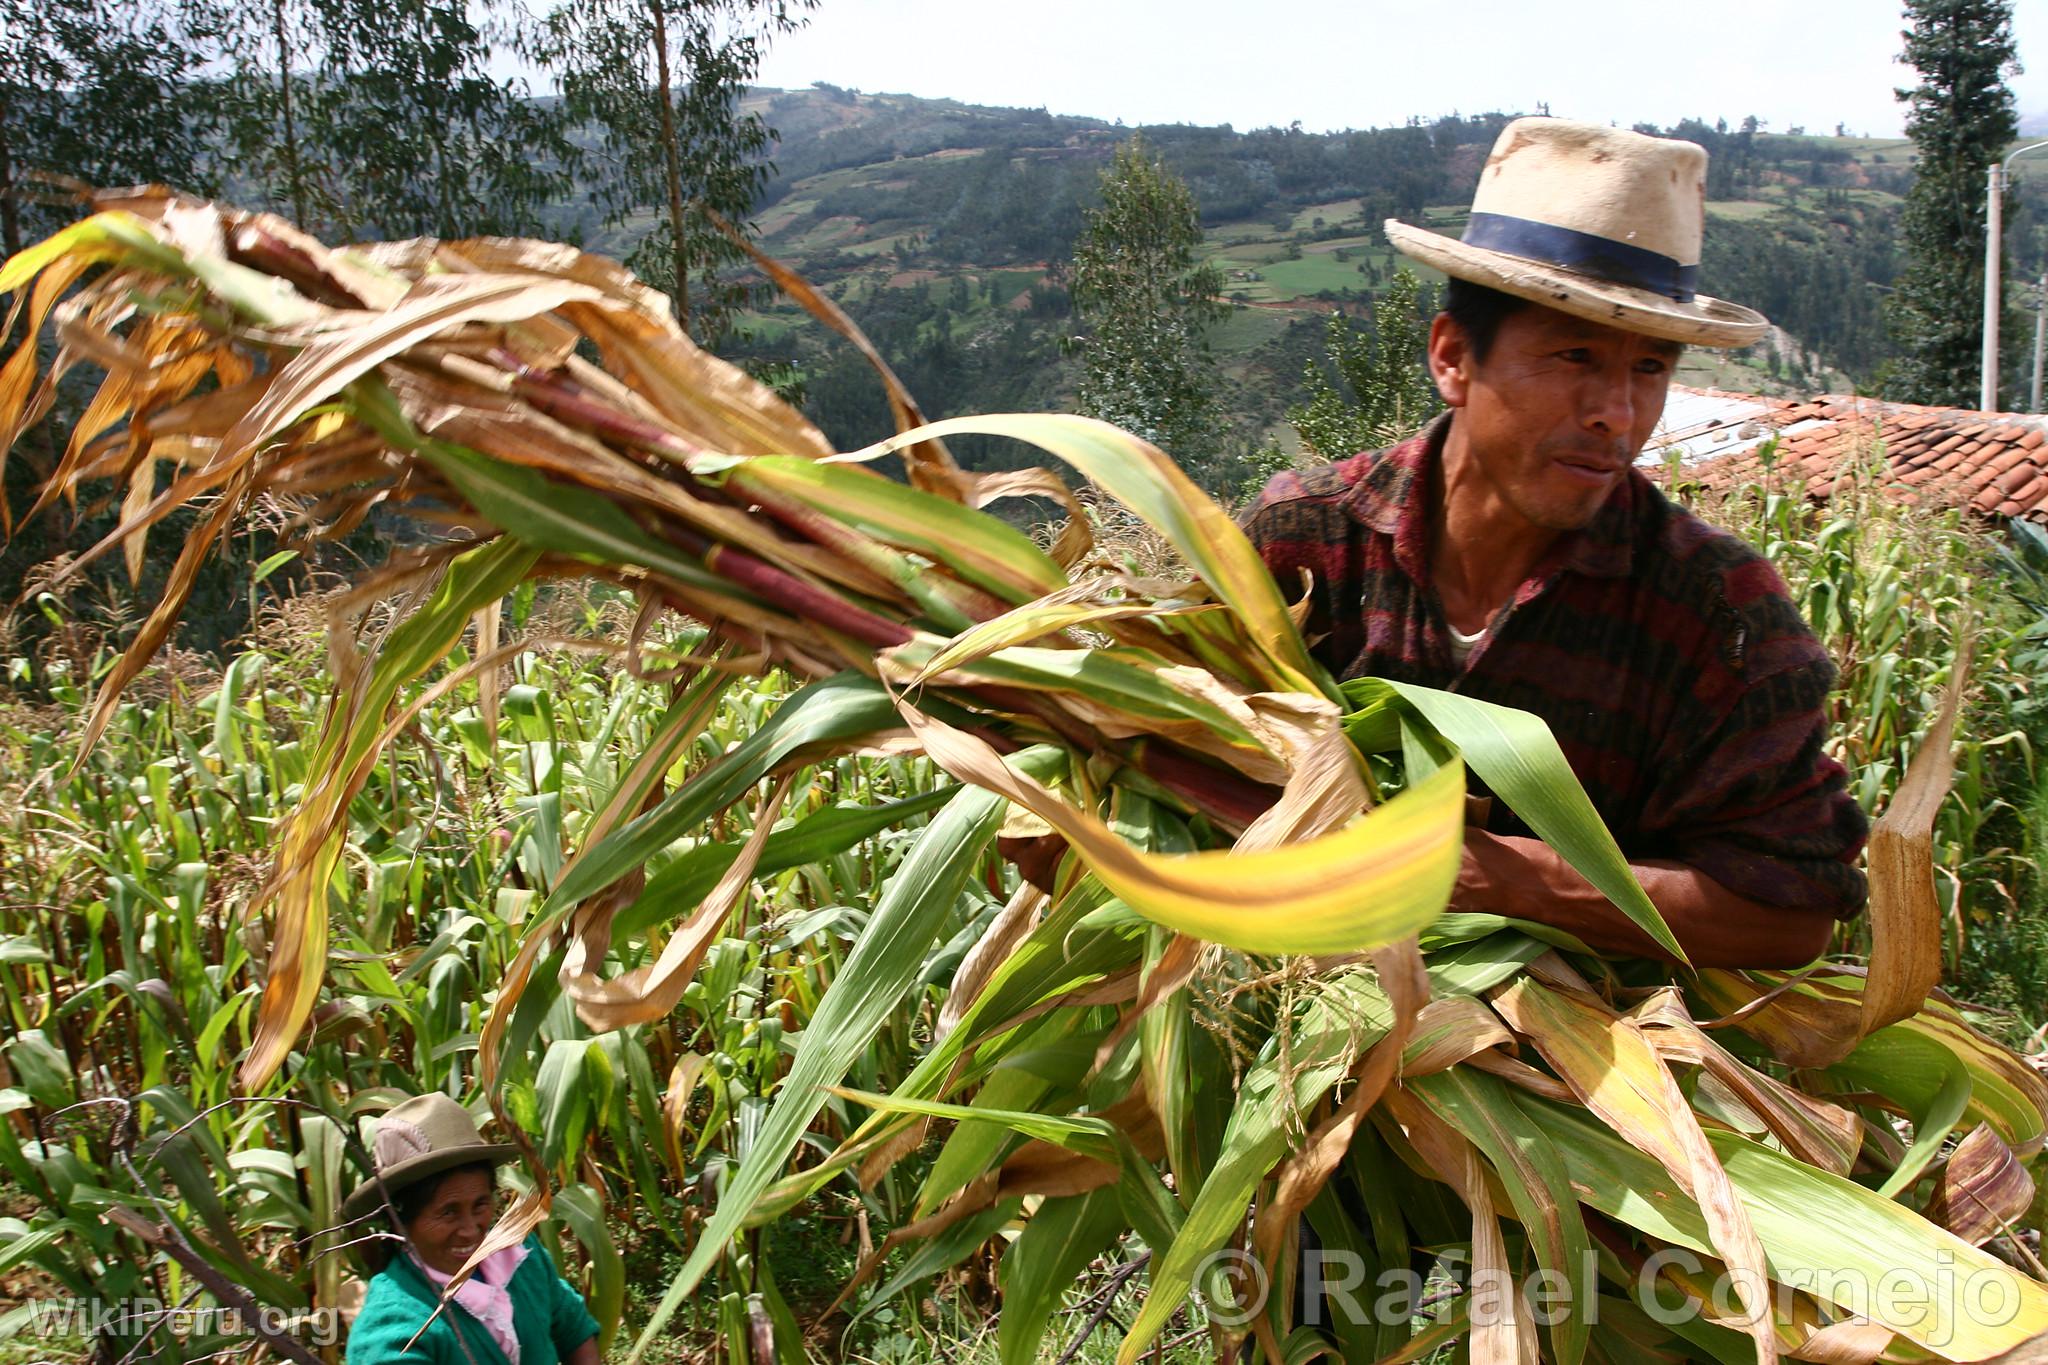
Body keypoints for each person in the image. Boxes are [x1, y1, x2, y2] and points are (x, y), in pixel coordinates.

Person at [1242, 117, 1868, 969]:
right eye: (1575, 355)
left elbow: (1787, 916)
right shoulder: (1307, 540)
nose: (1617, 411)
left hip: (1579, 1073)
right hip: (1281, 1019)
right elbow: (1174, 741)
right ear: (1454, 357)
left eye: (1649, 368)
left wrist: (1497, 877)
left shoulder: (1719, 617)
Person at [343, 1094, 602, 1365]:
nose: (470, 1230)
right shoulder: (393, 1328)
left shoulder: (521, 1257)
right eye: (449, 1212)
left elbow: (573, 1328)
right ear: (399, 1219)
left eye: (480, 1205)